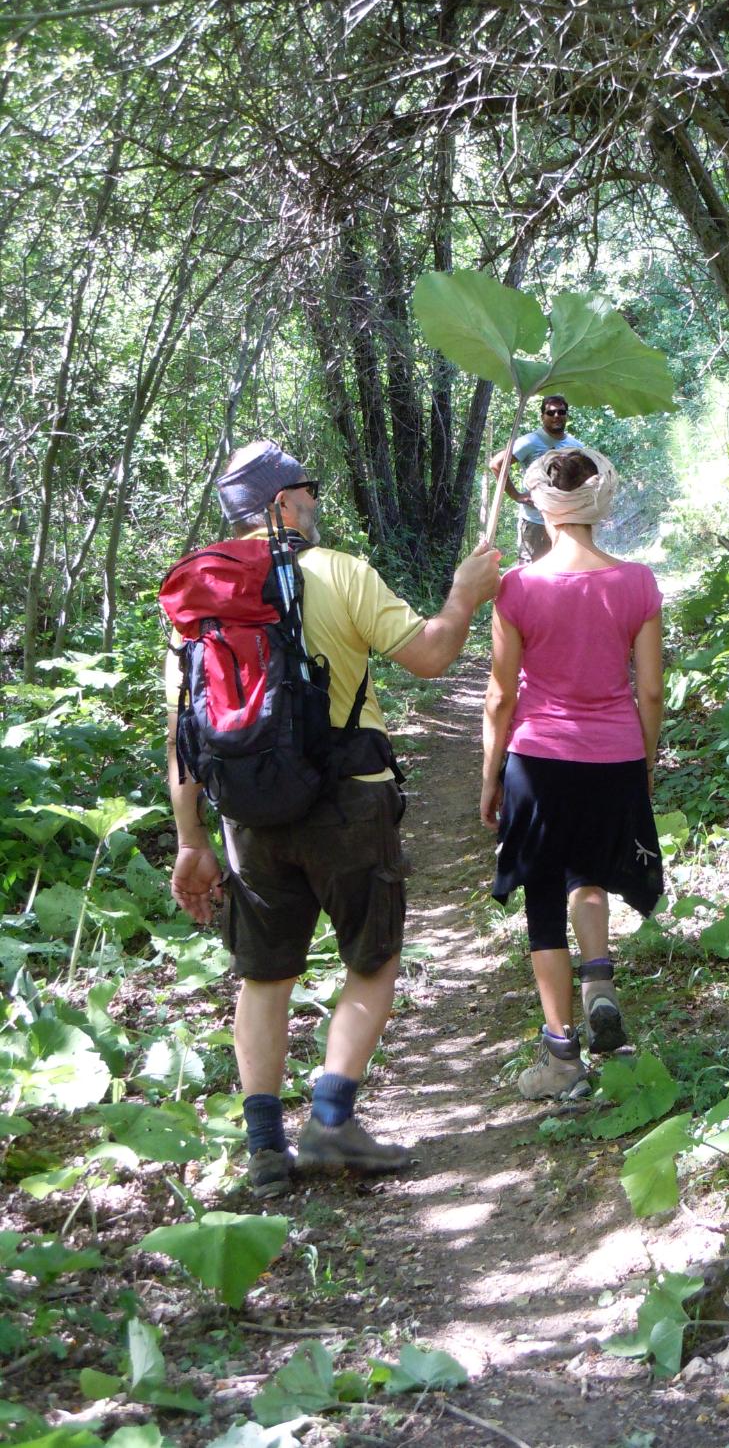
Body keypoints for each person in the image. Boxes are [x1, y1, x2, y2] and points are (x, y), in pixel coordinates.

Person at [166, 439, 500, 1196]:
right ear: (280, 504)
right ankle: (328, 1119)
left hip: (247, 815)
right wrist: (464, 592)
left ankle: (263, 1151)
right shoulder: (337, 571)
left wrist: (192, 841)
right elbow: (431, 656)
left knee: (264, 975)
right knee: (371, 960)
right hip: (350, 799)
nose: (315, 502)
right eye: (306, 491)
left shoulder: (206, 597)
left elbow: (184, 737)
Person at [480, 447, 664, 1100]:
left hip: (538, 758)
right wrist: (643, 761)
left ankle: (562, 1058)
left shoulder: (518, 588)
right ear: (599, 500)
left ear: (539, 503)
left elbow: (501, 696)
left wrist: (490, 775)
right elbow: (649, 693)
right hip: (612, 754)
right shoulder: (637, 583)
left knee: (540, 902)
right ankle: (600, 986)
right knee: (590, 876)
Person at [489, 395, 584, 564]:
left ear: (566, 415)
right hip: (535, 522)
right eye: (551, 412)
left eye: (561, 412)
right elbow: (496, 464)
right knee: (530, 570)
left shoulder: (576, 446)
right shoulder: (530, 442)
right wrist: (516, 495)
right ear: (543, 416)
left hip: (564, 521)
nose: (556, 416)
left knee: (562, 569)